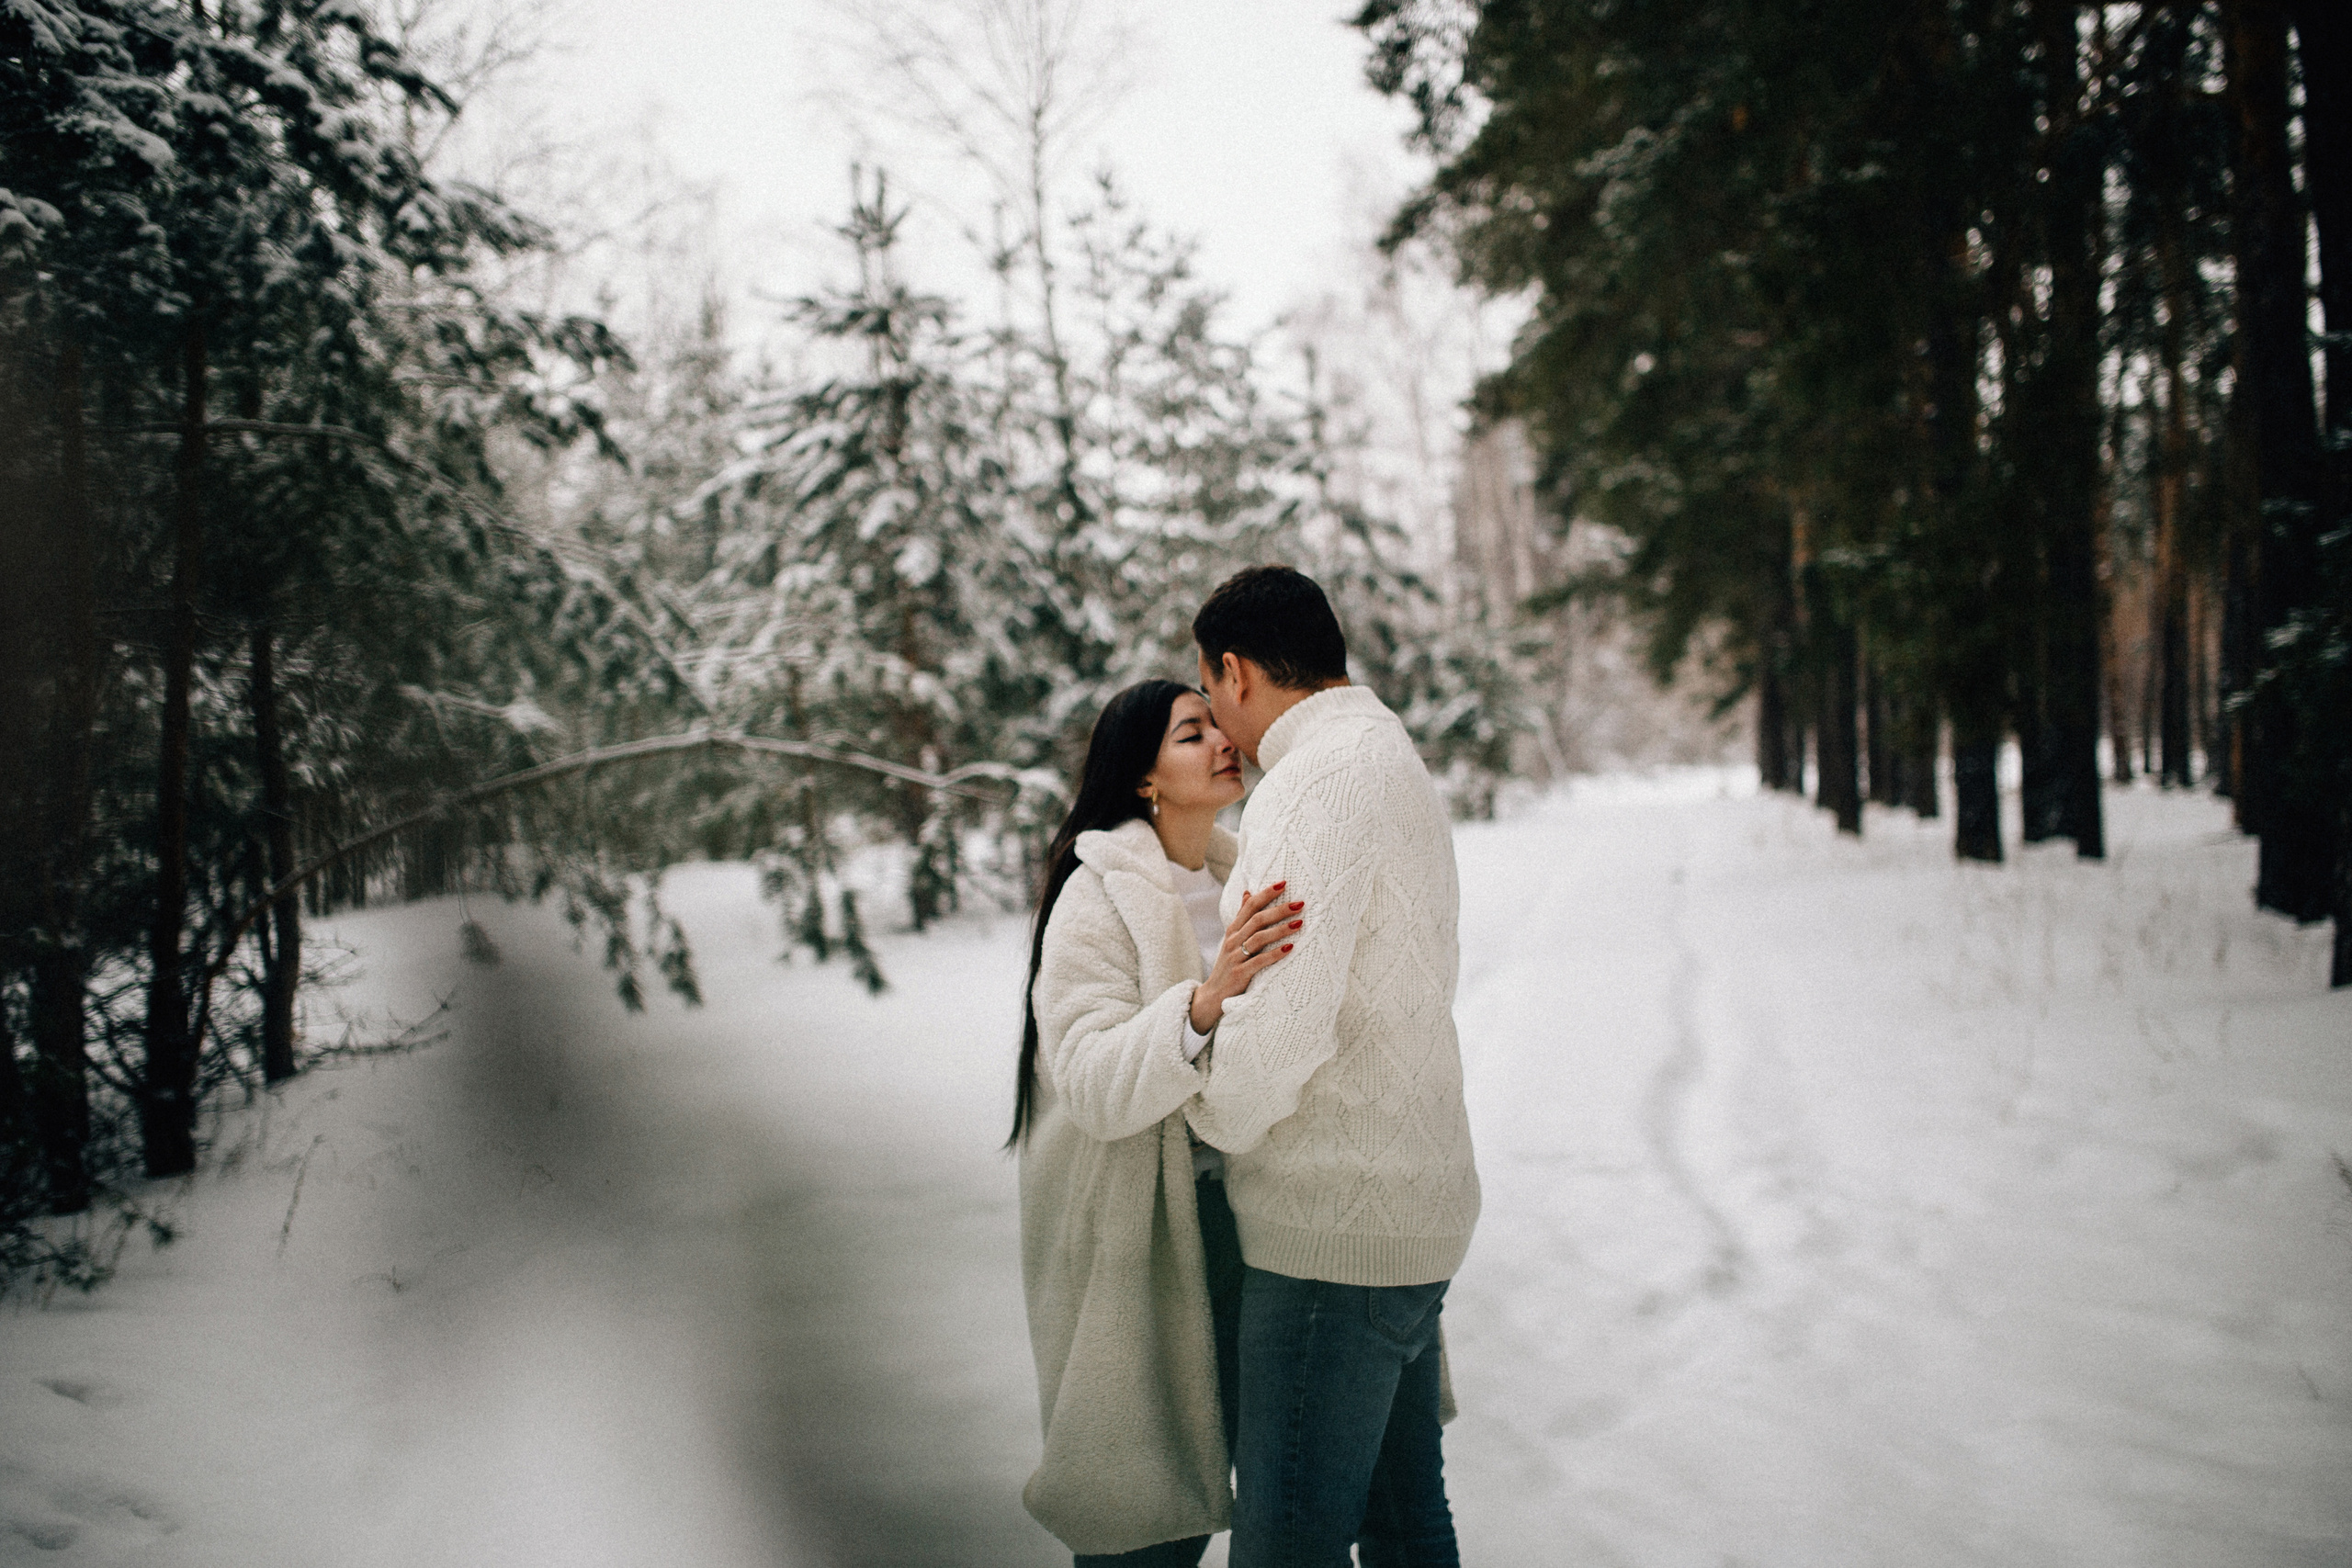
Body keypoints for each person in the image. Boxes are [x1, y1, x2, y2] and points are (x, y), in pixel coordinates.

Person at [1184, 565, 1481, 1568]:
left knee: (1284, 1547)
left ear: (1235, 670)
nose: (1220, 725)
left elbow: (1284, 1021)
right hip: (1408, 1206)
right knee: (1402, 1528)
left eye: (1211, 692)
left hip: (1330, 1231)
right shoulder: (1383, 752)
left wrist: (1207, 1117)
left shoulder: (1315, 783)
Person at [1012, 677, 1309, 1564]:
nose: (1223, 741)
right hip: (1137, 1233)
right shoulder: (1096, 896)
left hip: (1248, 1218)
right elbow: (1093, 1082)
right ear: (1144, 779)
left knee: (1277, 1490)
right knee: (1147, 1529)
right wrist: (1205, 1002)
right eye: (1192, 734)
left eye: (1218, 724)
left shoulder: (1237, 874)